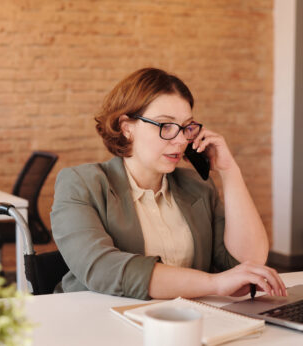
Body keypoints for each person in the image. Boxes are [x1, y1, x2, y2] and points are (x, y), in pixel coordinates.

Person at [50, 67, 286, 300]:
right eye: (166, 126)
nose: (181, 139)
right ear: (127, 127)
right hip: (96, 320)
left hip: (180, 322)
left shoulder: (197, 186)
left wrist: (229, 171)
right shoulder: (80, 183)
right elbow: (101, 268)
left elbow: (249, 263)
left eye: (186, 127)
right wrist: (214, 283)